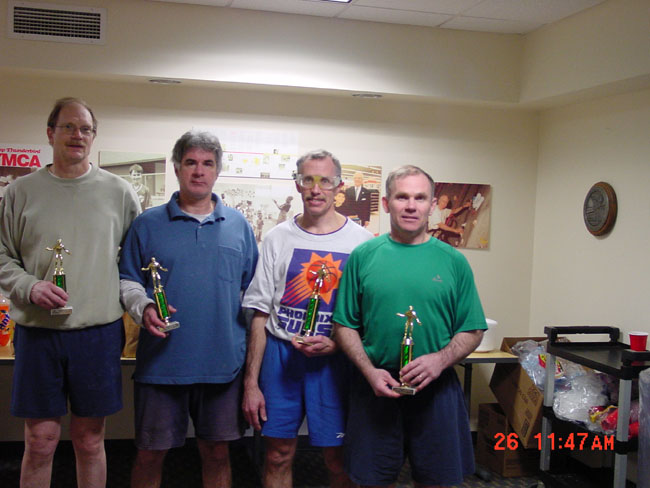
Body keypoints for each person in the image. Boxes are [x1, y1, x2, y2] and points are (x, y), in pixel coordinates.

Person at [0, 97, 140, 487]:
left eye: (85, 129)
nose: (77, 135)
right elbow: (2, 254)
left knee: (90, 440)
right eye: (68, 127)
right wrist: (29, 286)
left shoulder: (119, 192)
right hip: (38, 333)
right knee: (39, 441)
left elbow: (136, 259)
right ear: (50, 133)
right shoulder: (20, 192)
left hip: (97, 333)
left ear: (93, 137)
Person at [119, 130, 258, 488]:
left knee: (217, 454)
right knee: (150, 455)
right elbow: (128, 281)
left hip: (223, 367)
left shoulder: (239, 227)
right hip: (161, 365)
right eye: (191, 162)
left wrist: (252, 371)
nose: (199, 171)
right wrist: (143, 306)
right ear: (177, 167)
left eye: (208, 163)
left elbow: (253, 296)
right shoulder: (146, 224)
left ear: (217, 170)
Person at [332, 165, 487, 488]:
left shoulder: (454, 261)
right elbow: (344, 325)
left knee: (437, 481)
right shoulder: (363, 257)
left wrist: (440, 360)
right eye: (402, 197)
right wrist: (369, 371)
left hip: (437, 388)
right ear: (386, 203)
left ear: (432, 205)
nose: (411, 206)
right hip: (376, 388)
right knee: (371, 481)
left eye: (420, 198)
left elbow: (472, 329)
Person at [242, 149, 373, 488]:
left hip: (336, 362)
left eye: (325, 181)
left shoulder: (362, 243)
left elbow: (368, 317)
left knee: (338, 459)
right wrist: (251, 383)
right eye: (308, 180)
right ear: (298, 184)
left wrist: (338, 344)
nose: (316, 189)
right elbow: (259, 313)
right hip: (281, 356)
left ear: (339, 187)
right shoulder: (277, 237)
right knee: (277, 454)